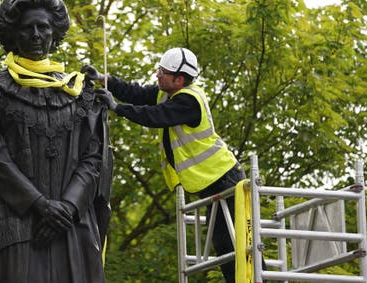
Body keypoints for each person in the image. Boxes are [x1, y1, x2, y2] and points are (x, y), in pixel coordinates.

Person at [0, 0, 112, 283]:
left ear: (54, 33)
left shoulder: (78, 93)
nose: (35, 35)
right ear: (12, 35)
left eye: (43, 27)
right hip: (14, 226)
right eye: (26, 28)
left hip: (72, 226)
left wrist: (68, 207)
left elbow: (93, 156)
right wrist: (39, 205)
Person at [82, 47, 245, 283]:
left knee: (234, 245)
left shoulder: (189, 100)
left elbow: (155, 116)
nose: (158, 75)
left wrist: (116, 107)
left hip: (225, 177)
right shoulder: (166, 93)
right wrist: (103, 79)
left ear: (179, 80)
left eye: (163, 72)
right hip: (214, 182)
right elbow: (136, 93)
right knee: (223, 245)